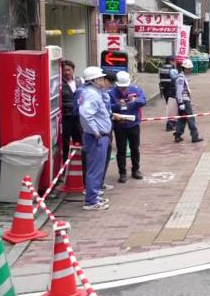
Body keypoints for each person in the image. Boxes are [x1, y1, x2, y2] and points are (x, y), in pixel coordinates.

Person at [78, 67, 115, 210]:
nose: (102, 81)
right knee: (95, 169)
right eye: (99, 79)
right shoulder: (92, 94)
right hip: (96, 136)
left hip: (97, 135)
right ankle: (91, 201)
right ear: (93, 81)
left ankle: (93, 196)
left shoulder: (94, 92)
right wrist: (95, 131)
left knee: (95, 169)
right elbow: (86, 114)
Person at [109, 72, 146, 183]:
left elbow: (143, 101)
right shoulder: (111, 93)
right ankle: (122, 172)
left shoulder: (135, 89)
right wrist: (117, 105)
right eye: (121, 87)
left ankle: (136, 170)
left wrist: (133, 101)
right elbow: (107, 107)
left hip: (133, 124)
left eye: (125, 86)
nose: (123, 89)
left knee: (135, 148)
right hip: (119, 125)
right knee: (121, 149)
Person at [173, 60, 203, 143]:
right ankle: (194, 136)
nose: (190, 70)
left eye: (190, 68)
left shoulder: (183, 77)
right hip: (184, 101)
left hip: (185, 100)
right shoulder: (180, 78)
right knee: (190, 118)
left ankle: (178, 135)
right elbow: (179, 91)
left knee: (183, 118)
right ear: (184, 68)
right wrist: (181, 102)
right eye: (188, 68)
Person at [60, 61, 83, 164]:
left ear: (73, 70)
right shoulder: (59, 83)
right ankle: (65, 164)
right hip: (66, 117)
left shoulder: (80, 81)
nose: (66, 72)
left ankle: (79, 165)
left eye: (68, 70)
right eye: (64, 70)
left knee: (78, 140)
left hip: (78, 116)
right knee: (65, 141)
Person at [159, 55, 178, 132]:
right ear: (171, 61)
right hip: (171, 90)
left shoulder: (161, 68)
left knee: (169, 106)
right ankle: (170, 125)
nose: (175, 62)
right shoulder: (172, 70)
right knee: (172, 108)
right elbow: (176, 79)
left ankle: (173, 122)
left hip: (164, 90)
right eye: (174, 61)